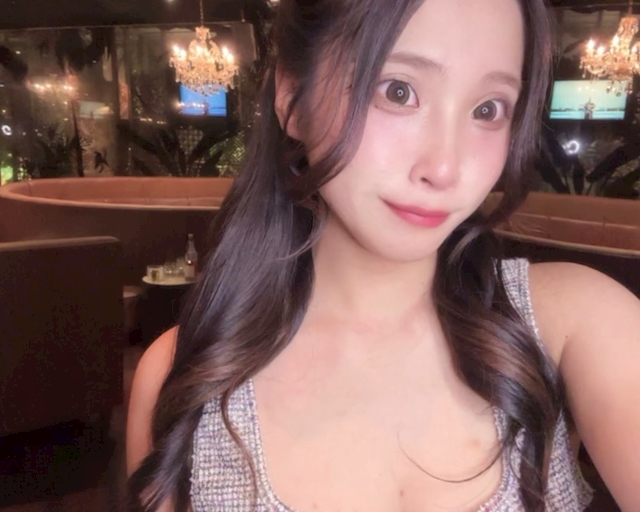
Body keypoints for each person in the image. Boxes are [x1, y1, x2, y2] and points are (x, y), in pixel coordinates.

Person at [126, 0, 640, 510]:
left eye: (488, 109)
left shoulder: (574, 323)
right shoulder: (184, 375)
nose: (444, 168)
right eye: (398, 91)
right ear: (292, 98)